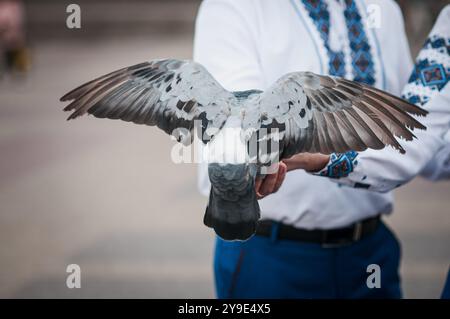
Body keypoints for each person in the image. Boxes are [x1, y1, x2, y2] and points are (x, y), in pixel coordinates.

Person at [195, 0, 417, 298]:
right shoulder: (234, 5)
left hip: (371, 255)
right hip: (270, 258)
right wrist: (261, 158)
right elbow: (237, 128)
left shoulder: (383, 8)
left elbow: (416, 138)